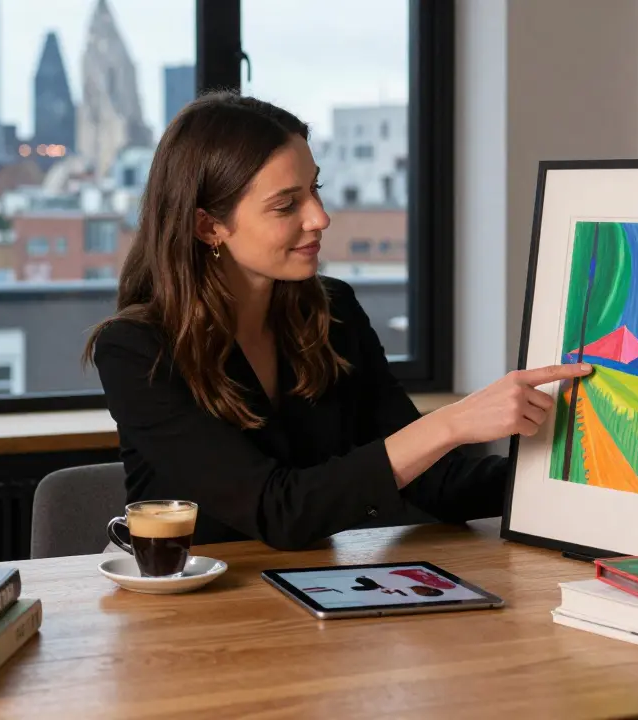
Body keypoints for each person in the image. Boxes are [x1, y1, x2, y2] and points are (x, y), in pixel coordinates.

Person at [86, 92, 591, 552]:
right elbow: (278, 511)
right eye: (287, 204)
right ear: (209, 226)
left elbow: (432, 481)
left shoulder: (333, 311)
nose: (320, 217)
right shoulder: (136, 349)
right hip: (190, 610)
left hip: (315, 596)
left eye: (315, 188)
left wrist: (575, 483)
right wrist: (453, 423)